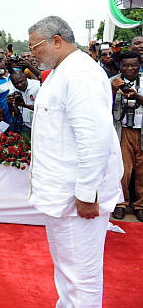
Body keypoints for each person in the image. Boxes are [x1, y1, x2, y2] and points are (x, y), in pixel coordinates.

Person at [27, 16, 123, 307]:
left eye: (36, 47)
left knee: (82, 276)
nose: (33, 54)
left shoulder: (81, 73)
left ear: (57, 40)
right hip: (62, 194)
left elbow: (94, 139)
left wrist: (86, 194)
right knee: (67, 271)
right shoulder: (62, 71)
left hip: (77, 198)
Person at [109, 50, 143, 221]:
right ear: (120, 66)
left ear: (140, 65)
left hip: (141, 130)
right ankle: (120, 203)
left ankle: (140, 206)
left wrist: (137, 96)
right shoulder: (112, 82)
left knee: (141, 171)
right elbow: (100, 103)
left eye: (134, 65)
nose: (130, 68)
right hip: (122, 131)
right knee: (123, 171)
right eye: (126, 65)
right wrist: (113, 91)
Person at [1, 70, 39, 137]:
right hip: (26, 125)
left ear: (25, 77)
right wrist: (10, 103)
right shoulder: (13, 88)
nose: (19, 85)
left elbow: (42, 108)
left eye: (21, 82)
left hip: (39, 125)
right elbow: (14, 112)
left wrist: (25, 105)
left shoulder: (37, 86)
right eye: (15, 84)